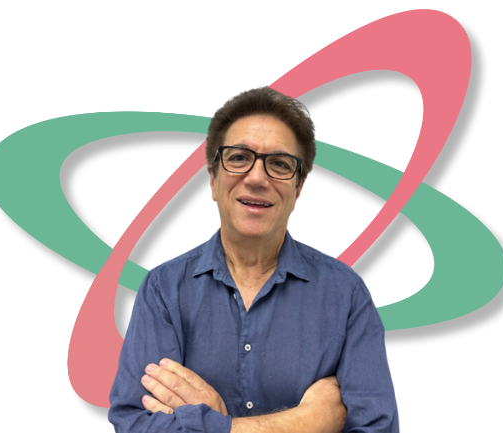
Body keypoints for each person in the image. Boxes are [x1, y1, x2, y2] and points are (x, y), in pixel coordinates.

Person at [108, 87, 399, 432]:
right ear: (213, 178)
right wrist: (308, 422)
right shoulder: (163, 291)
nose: (258, 178)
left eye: (279, 164)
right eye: (238, 158)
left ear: (298, 188)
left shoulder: (345, 294)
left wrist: (211, 425)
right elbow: (136, 425)